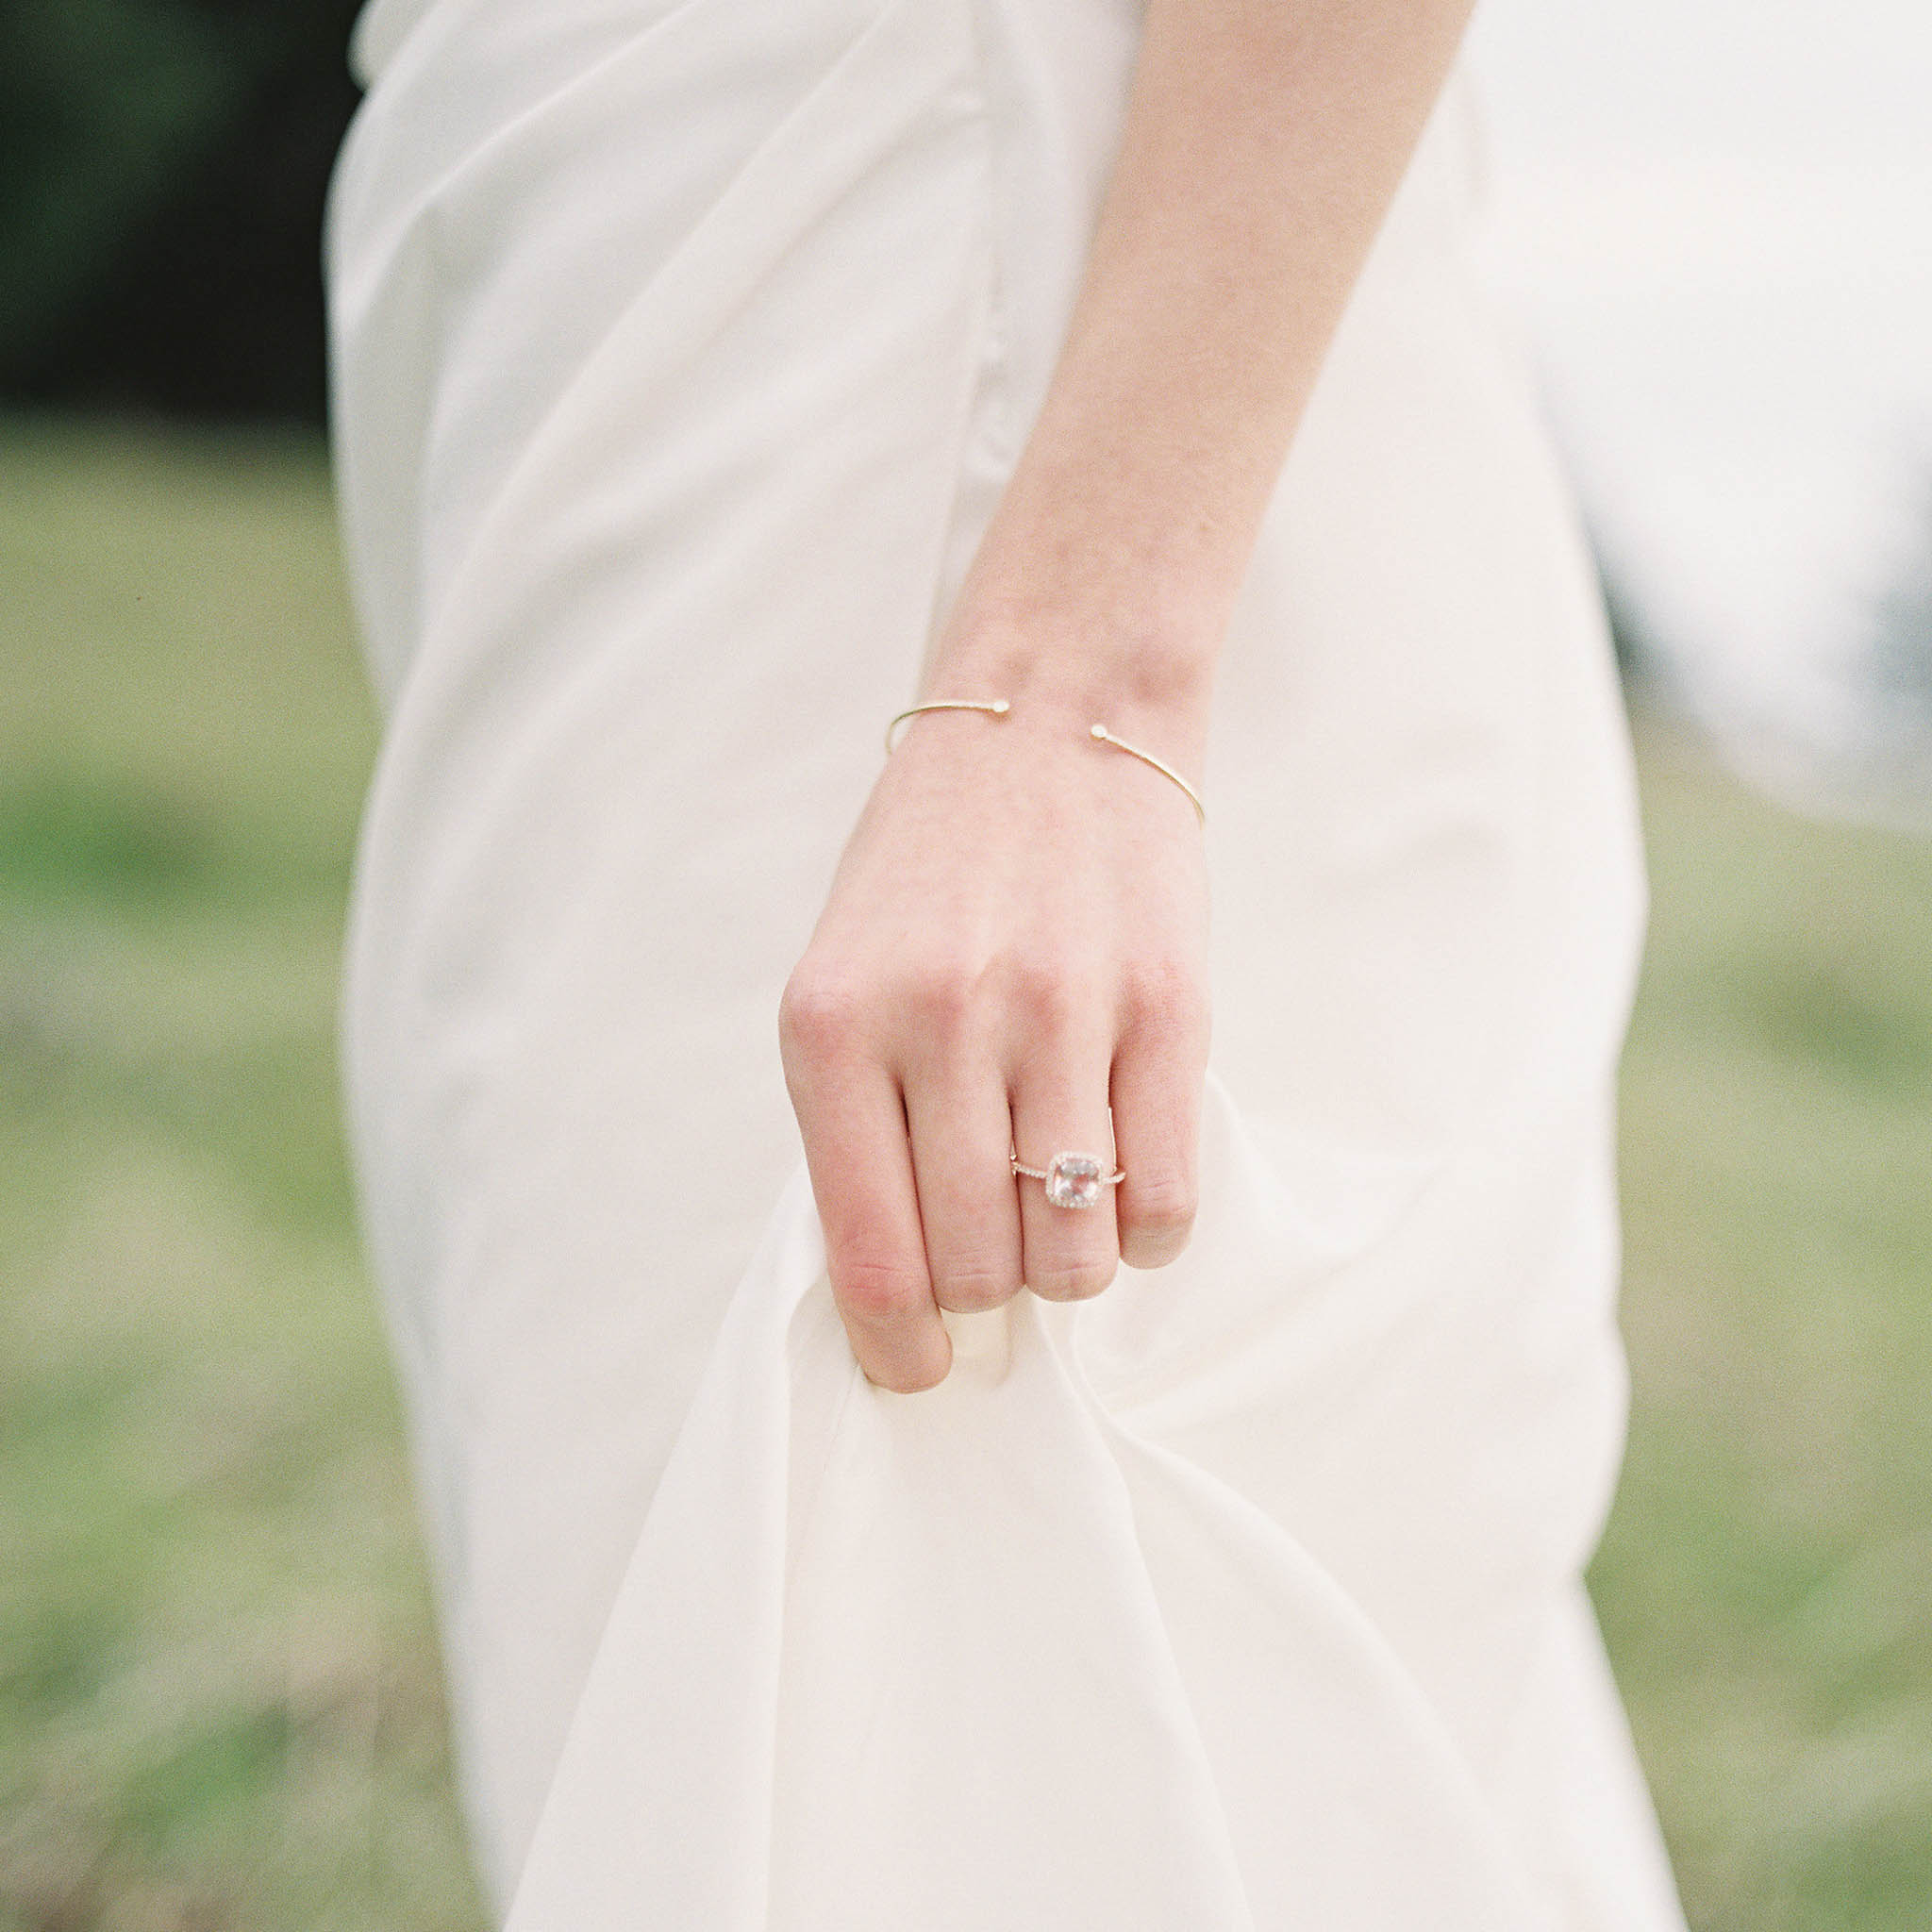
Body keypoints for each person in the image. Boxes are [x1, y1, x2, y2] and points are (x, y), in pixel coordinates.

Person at [326, 0, 1691, 1924]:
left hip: (941, 311)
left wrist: (1061, 694)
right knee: (652, 1587)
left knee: (871, 1662)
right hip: (588, 243)